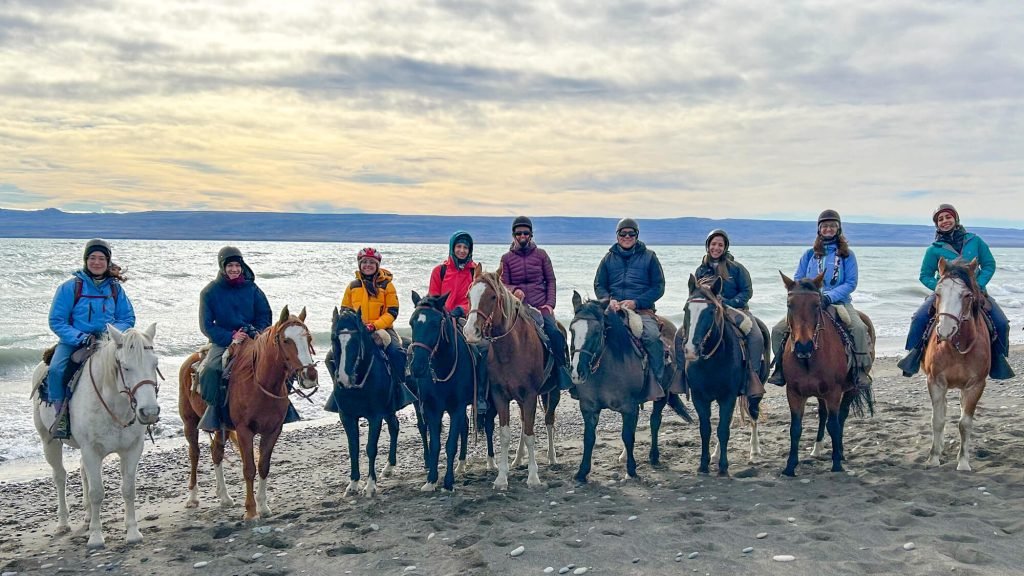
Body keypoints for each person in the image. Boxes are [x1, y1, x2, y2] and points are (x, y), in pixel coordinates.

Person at [897, 204, 1014, 379]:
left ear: (956, 219)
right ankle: (912, 355)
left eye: (948, 217)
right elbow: (924, 275)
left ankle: (998, 360)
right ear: (937, 224)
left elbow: (989, 265)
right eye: (940, 219)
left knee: (1002, 322)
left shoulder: (975, 241)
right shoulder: (934, 249)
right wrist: (943, 287)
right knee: (919, 318)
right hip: (946, 294)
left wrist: (978, 286)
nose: (944, 221)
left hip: (976, 292)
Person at [768, 210, 873, 388]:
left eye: (832, 226)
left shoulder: (847, 255)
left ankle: (860, 370)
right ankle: (780, 369)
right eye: (824, 226)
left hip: (839, 302)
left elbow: (850, 282)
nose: (828, 229)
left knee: (859, 327)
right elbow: (798, 278)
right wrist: (808, 294)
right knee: (778, 330)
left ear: (838, 229)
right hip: (810, 302)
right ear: (819, 230)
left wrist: (829, 297)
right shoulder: (809, 254)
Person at [47, 239, 136, 438]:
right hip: (75, 341)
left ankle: (138, 412)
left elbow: (127, 317)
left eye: (102, 258)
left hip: (107, 342)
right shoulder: (70, 287)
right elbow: (57, 320)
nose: (97, 262)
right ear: (86, 260)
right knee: (56, 369)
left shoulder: (115, 289)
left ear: (108, 261)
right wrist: (80, 337)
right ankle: (60, 416)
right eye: (93, 258)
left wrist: (109, 334)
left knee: (136, 367)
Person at [197, 247, 284, 432]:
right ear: (222, 267)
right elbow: (206, 325)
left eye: (237, 265)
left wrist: (258, 332)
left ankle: (285, 407)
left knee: (281, 362)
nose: (234, 269)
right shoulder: (210, 292)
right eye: (230, 265)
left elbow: (264, 314)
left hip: (254, 338)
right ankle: (213, 411)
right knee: (211, 369)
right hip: (224, 341)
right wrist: (231, 336)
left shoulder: (252, 288)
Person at [692, 229, 766, 415]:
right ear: (708, 246)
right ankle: (684, 375)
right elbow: (695, 294)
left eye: (720, 245)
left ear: (725, 248)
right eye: (713, 244)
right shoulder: (701, 270)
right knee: (682, 334)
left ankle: (752, 376)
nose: (716, 248)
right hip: (710, 311)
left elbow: (746, 291)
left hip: (735, 309)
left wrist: (729, 303)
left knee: (755, 336)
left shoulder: (737, 268)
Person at [500, 216, 572, 391]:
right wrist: (514, 289)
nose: (522, 236)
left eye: (526, 232)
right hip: (518, 308)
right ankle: (498, 377)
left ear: (531, 235)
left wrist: (550, 304)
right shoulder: (506, 259)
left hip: (540, 306)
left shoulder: (541, 255)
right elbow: (502, 283)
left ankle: (561, 372)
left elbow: (551, 280)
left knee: (555, 334)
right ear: (513, 235)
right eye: (519, 233)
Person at [593, 218, 667, 388]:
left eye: (631, 233)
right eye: (623, 233)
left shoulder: (649, 257)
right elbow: (599, 285)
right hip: (613, 309)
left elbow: (658, 287)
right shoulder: (608, 259)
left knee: (652, 337)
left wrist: (636, 302)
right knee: (589, 333)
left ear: (637, 235)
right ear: (617, 235)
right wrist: (608, 300)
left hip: (641, 310)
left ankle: (657, 381)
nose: (627, 236)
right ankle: (584, 378)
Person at [428, 231, 489, 417]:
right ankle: (424, 392)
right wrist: (443, 312)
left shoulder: (474, 272)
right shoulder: (440, 270)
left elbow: (477, 298)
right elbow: (433, 296)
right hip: (441, 317)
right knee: (423, 346)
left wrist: (461, 310)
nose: (462, 251)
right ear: (452, 248)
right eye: (459, 247)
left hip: (464, 316)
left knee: (482, 349)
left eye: (465, 247)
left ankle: (478, 395)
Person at [341, 247, 409, 392]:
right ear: (359, 264)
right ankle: (339, 392)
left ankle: (400, 389)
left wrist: (374, 325)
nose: (368, 265)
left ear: (377, 265)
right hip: (357, 331)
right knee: (331, 358)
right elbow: (345, 310)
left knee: (397, 352)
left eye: (371, 262)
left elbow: (392, 312)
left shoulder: (387, 285)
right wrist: (354, 325)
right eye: (364, 262)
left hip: (383, 329)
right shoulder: (352, 286)